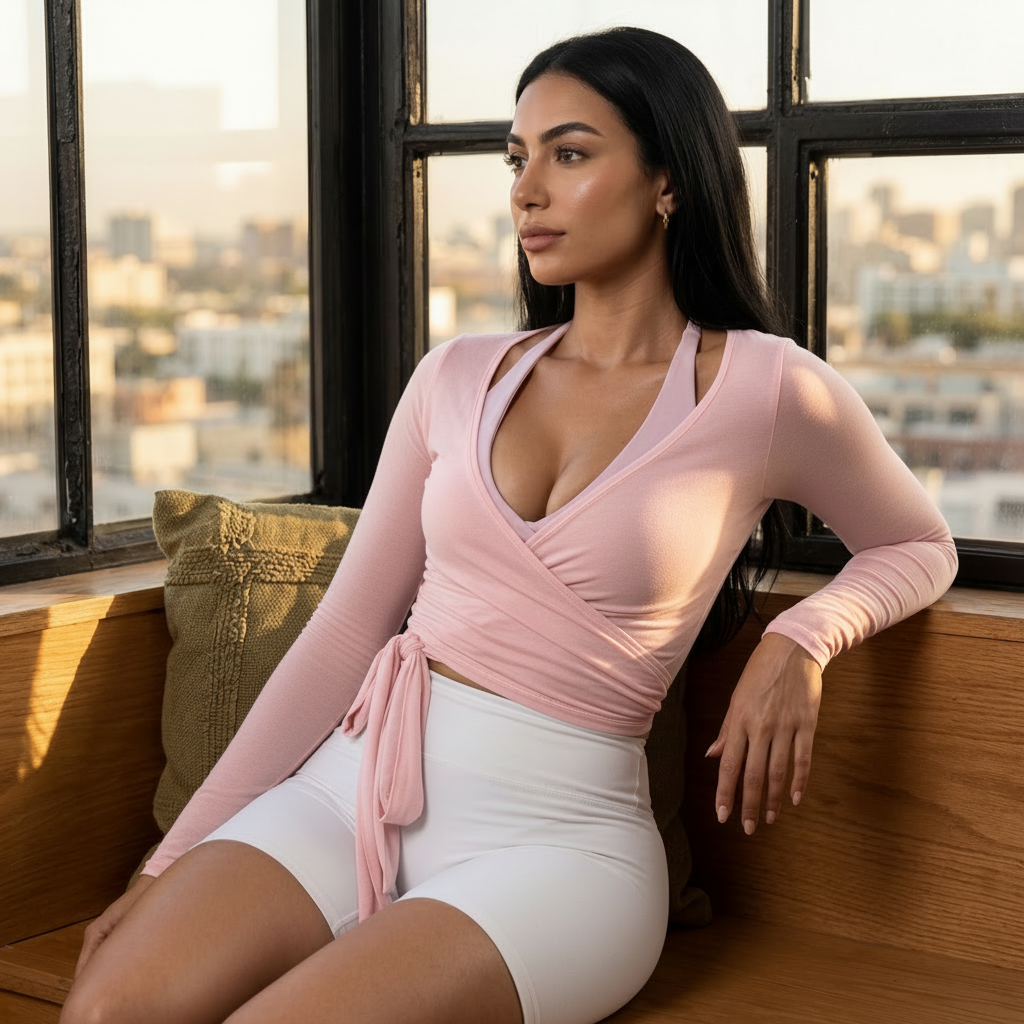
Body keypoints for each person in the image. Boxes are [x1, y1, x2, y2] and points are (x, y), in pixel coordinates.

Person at [60, 26, 958, 1024]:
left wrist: (802, 637)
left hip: (555, 848)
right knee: (107, 1011)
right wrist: (168, 862)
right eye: (515, 159)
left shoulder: (766, 388)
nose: (527, 189)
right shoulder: (457, 375)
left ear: (669, 179)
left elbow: (918, 544)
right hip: (344, 791)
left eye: (569, 154)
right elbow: (346, 633)